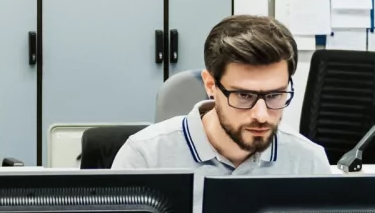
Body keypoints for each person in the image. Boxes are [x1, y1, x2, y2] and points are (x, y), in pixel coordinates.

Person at [111, 14, 333, 176]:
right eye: (244, 96)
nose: (262, 115)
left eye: (275, 95)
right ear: (210, 85)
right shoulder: (145, 158)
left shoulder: (309, 163)